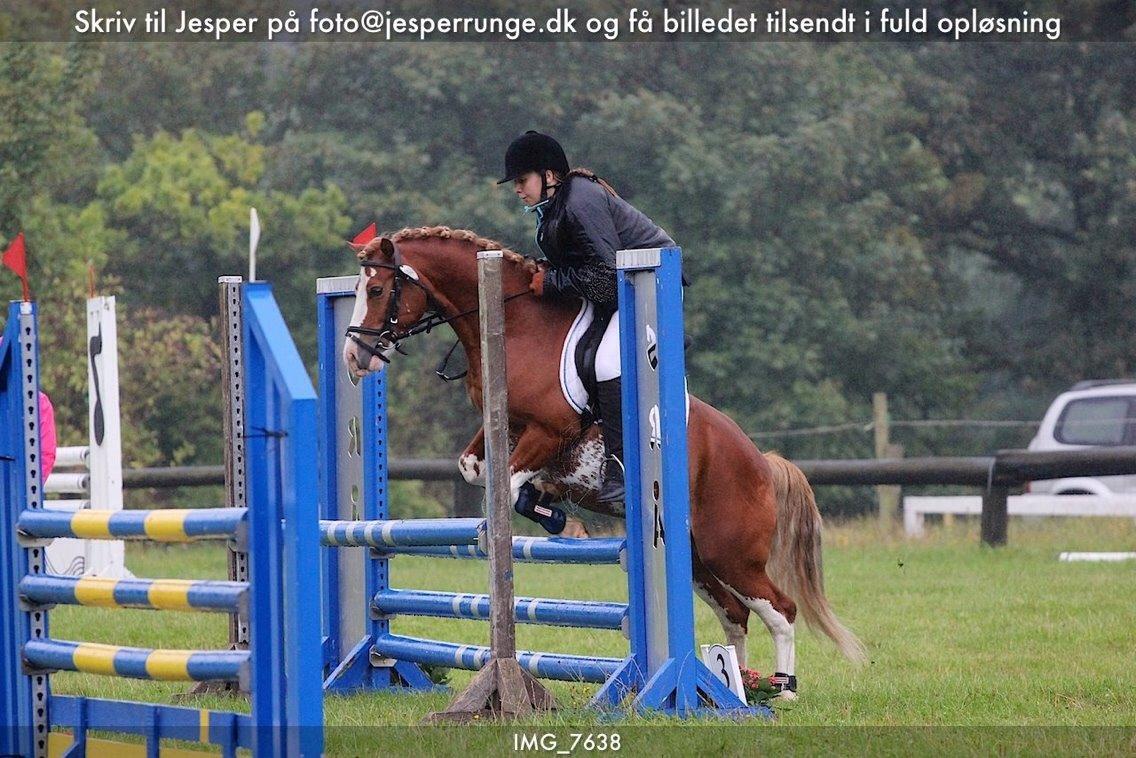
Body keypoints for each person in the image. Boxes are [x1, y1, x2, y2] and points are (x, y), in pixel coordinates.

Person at [499, 130, 676, 504]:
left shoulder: (579, 201)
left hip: (648, 284)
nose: (517, 189)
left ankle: (620, 465)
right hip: (620, 286)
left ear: (548, 176)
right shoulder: (554, 207)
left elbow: (606, 276)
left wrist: (552, 283)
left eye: (521, 180)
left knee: (607, 360)